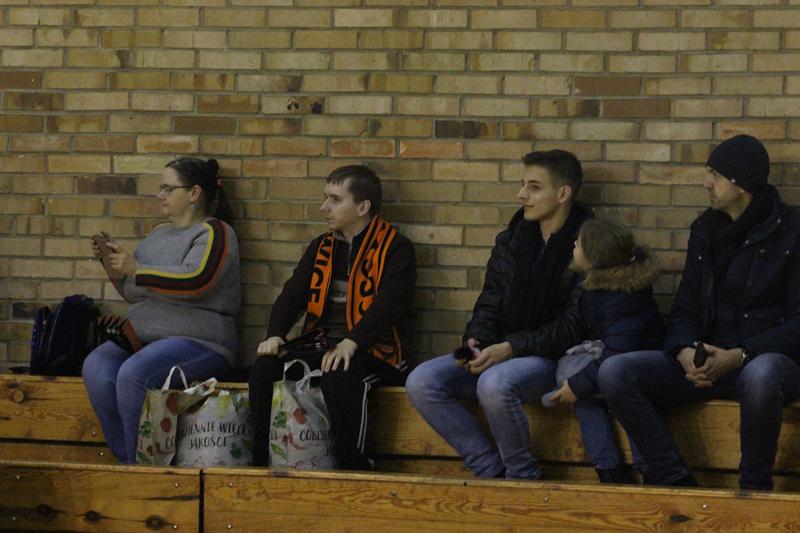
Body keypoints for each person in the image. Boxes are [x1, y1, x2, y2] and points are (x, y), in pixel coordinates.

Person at [598, 134, 800, 491]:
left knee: (762, 374)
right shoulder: (704, 230)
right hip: (707, 362)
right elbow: (685, 307)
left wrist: (739, 355)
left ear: (741, 185)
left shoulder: (793, 231)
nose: (706, 182)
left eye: (715, 175)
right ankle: (676, 479)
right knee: (616, 372)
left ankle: (753, 490)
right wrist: (684, 350)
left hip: (762, 362)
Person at [405, 149, 592, 480]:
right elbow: (490, 300)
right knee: (422, 380)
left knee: (494, 383)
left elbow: (573, 326)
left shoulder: (587, 247)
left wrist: (512, 347)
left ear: (563, 193)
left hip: (552, 357)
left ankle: (522, 477)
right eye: (522, 185)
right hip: (501, 349)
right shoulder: (511, 240)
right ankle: (489, 471)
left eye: (534, 187)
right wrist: (476, 340)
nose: (521, 195)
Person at [248, 165, 416, 470]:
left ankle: (356, 468)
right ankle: (259, 466)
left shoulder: (396, 247)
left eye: (335, 199)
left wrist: (352, 342)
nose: (324, 207)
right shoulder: (322, 247)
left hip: (376, 351)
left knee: (339, 372)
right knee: (265, 368)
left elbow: (389, 305)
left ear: (362, 207)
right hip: (322, 346)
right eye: (325, 197)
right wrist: (275, 334)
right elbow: (292, 295)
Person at [82, 157, 241, 464]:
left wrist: (137, 269)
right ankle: (129, 461)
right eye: (161, 188)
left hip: (200, 341)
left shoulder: (215, 233)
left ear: (194, 193)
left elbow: (198, 281)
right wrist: (112, 265)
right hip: (145, 338)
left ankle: (143, 468)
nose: (160, 195)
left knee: (134, 373)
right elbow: (134, 292)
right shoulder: (157, 235)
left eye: (168, 188)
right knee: (96, 366)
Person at [544, 218, 664, 483]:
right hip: (613, 361)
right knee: (581, 384)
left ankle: (646, 471)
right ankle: (608, 469)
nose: (574, 245)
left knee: (599, 389)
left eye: (579, 244)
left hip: (640, 370)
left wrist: (578, 384)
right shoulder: (596, 288)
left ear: (593, 257)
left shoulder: (621, 297)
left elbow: (620, 352)